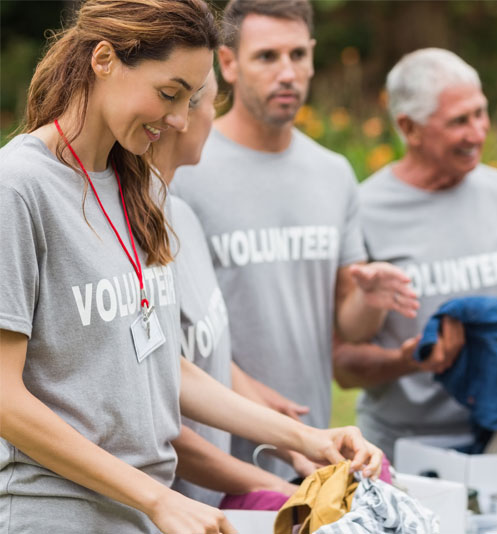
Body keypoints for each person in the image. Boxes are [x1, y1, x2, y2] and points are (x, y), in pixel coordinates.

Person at [0, 2, 381, 533]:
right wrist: (157, 500)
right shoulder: (18, 188)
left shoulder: (138, 187)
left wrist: (310, 439)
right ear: (104, 59)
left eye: (189, 99)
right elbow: (4, 398)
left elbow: (164, 366)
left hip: (142, 514)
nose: (179, 119)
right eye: (168, 93)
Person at [170, 0, 417, 480]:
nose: (287, 73)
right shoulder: (186, 165)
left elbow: (352, 328)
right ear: (228, 63)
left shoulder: (334, 173)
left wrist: (369, 299)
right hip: (207, 455)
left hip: (310, 451)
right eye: (267, 57)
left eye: (298, 55)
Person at [333, 48, 497, 459]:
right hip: (401, 447)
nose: (478, 133)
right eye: (459, 121)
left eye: (480, 113)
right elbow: (344, 364)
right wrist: (409, 361)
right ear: (409, 127)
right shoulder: (362, 208)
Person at [151, 72, 299, 506]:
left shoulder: (183, 217)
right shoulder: (128, 236)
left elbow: (205, 353)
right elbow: (161, 423)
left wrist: (299, 445)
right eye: (213, 105)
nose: (214, 122)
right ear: (179, 114)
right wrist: (276, 485)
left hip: (213, 505)